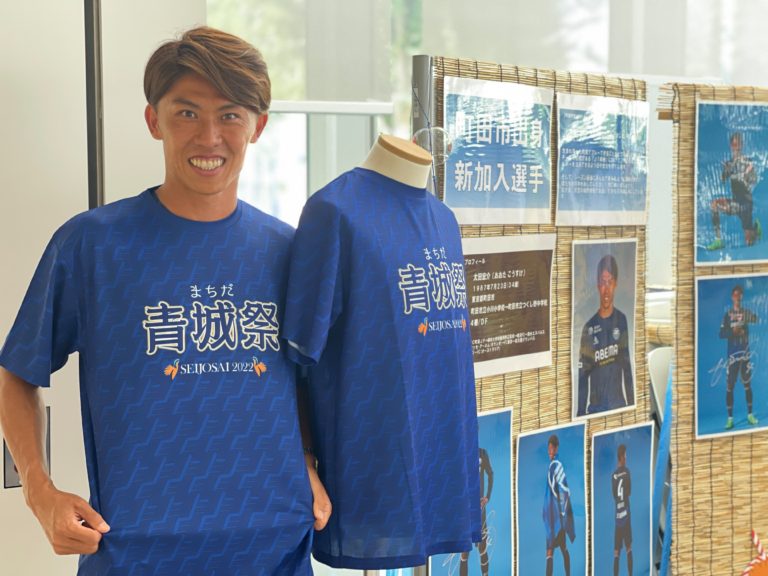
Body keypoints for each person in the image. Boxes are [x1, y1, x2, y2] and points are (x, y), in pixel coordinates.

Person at [0, 26, 329, 575]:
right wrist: (40, 492)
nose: (209, 137)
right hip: (134, 554)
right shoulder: (92, 246)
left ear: (258, 127)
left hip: (273, 549)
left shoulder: (289, 252)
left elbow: (301, 381)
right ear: (154, 120)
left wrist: (307, 460)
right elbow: (17, 374)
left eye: (230, 115)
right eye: (187, 113)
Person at [577, 254, 634, 416]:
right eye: (603, 282)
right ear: (597, 285)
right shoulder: (589, 327)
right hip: (595, 410)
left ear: (615, 284)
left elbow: (627, 368)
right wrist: (581, 414)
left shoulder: (621, 320)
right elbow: (583, 378)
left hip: (619, 406)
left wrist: (632, 407)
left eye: (610, 282)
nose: (606, 289)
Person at [707, 131, 762, 250]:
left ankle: (755, 230)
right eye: (733, 145)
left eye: (738, 145)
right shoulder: (729, 163)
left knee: (749, 242)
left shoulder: (748, 162)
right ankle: (718, 240)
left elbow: (754, 180)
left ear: (742, 145)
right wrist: (726, 171)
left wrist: (746, 175)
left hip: (746, 205)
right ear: (731, 146)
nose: (735, 148)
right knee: (714, 204)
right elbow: (722, 180)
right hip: (735, 202)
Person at [719, 284, 759, 430]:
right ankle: (730, 419)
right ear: (732, 297)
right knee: (730, 386)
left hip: (745, 355)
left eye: (740, 294)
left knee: (747, 384)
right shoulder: (727, 315)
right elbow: (721, 334)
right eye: (735, 294)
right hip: (733, 356)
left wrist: (751, 316)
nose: (737, 297)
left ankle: (750, 415)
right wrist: (733, 332)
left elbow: (756, 319)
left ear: (742, 297)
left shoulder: (745, 312)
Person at [543, 434, 574, 576]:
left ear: (556, 448)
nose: (550, 451)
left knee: (560, 548)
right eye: (548, 448)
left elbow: (564, 490)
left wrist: (562, 512)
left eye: (552, 448)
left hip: (557, 518)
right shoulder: (553, 465)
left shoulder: (556, 465)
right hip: (552, 518)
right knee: (553, 550)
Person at [460, 447, 493, 576]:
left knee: (482, 548)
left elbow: (490, 473)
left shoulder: (482, 453)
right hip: (466, 510)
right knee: (464, 550)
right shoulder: (461, 454)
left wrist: (487, 496)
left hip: (479, 509)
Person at [612, 444, 632, 576]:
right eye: (625, 456)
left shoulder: (613, 475)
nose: (626, 458)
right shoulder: (627, 472)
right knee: (629, 548)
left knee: (616, 552)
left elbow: (614, 495)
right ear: (621, 457)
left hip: (618, 517)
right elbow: (629, 492)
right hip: (626, 515)